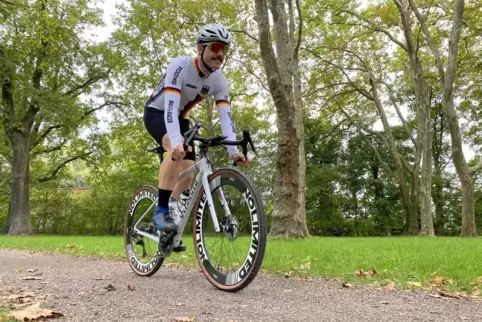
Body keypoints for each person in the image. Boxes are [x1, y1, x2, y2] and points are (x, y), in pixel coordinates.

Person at [143, 23, 250, 251]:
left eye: (225, 49)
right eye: (215, 47)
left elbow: (226, 119)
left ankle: (170, 224)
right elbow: (170, 108)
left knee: (188, 175)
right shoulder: (179, 67)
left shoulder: (219, 81)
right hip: (157, 112)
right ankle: (160, 211)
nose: (220, 53)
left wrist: (234, 153)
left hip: (180, 117)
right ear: (200, 48)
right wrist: (176, 141)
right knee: (174, 147)